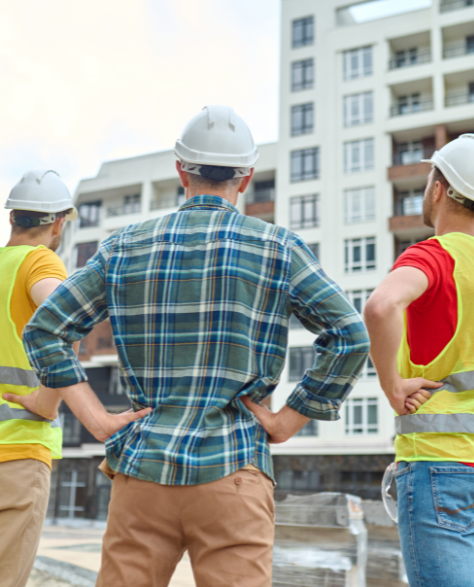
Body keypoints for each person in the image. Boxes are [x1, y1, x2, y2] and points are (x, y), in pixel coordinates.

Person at [21, 105, 370, 587]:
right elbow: (350, 334)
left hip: (143, 468)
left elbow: (45, 329)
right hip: (235, 468)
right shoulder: (279, 249)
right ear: (245, 178)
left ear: (181, 170)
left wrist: (98, 420)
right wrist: (290, 419)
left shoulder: (125, 246)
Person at [364, 134, 474, 587]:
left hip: (439, 468)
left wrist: (391, 385)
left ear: (439, 189)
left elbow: (380, 306)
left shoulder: (435, 255)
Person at [0, 169, 75, 587]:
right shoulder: (39, 260)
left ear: (12, 217)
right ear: (58, 221)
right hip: (15, 453)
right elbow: (67, 318)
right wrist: (48, 402)